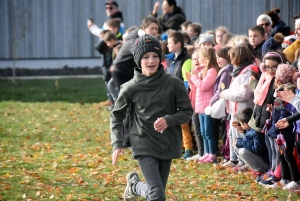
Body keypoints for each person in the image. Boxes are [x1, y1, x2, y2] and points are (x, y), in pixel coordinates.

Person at [110, 34, 193, 200]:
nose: (151, 61)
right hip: (143, 142)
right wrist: (117, 142)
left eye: (155, 56)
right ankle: (135, 186)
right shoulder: (130, 87)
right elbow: (117, 115)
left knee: (156, 191)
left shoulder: (174, 83)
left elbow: (187, 111)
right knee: (157, 193)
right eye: (146, 57)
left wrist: (169, 120)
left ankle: (134, 186)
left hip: (167, 143)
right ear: (138, 60)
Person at [220, 45, 256, 168]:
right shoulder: (238, 71)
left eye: (232, 56)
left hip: (243, 109)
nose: (231, 59)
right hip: (234, 110)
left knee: (242, 135)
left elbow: (244, 94)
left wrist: (225, 94)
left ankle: (244, 162)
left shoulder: (248, 71)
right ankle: (234, 158)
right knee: (232, 134)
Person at [186, 47, 219, 163]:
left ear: (206, 58)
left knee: (209, 132)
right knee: (204, 132)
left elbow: (204, 86)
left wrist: (194, 77)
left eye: (200, 56)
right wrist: (191, 79)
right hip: (200, 106)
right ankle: (206, 152)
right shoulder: (203, 70)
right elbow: (196, 87)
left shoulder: (212, 71)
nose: (198, 59)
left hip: (207, 106)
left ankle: (212, 154)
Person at [166, 31, 194, 159]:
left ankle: (188, 148)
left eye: (170, 43)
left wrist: (180, 96)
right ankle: (180, 146)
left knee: (183, 123)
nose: (167, 45)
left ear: (178, 44)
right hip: (170, 94)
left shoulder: (186, 60)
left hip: (180, 96)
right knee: (174, 123)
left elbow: (186, 79)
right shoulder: (171, 60)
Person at [233, 108, 269, 174]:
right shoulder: (250, 130)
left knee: (243, 151)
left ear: (246, 124)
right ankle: (246, 165)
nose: (240, 126)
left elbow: (257, 149)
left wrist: (241, 142)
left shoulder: (256, 132)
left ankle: (259, 170)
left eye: (240, 124)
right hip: (260, 159)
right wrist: (239, 141)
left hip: (265, 163)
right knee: (236, 145)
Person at [186, 48, 205, 161]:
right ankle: (200, 151)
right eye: (194, 59)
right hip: (193, 104)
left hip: (202, 105)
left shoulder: (204, 71)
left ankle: (205, 152)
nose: (196, 61)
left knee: (203, 131)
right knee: (197, 130)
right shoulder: (193, 71)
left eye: (198, 58)